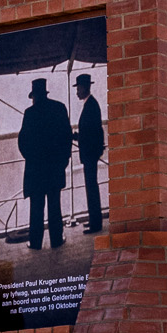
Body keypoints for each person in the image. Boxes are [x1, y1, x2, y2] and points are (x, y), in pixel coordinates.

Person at [16, 78, 74, 249]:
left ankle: (35, 242)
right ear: (45, 93)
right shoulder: (59, 108)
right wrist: (63, 161)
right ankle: (56, 239)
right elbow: (67, 137)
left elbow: (22, 142)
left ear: (34, 96)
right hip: (55, 167)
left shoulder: (30, 113)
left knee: (36, 207)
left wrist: (31, 159)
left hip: (36, 169)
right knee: (55, 205)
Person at [72, 72, 108, 234]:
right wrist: (76, 136)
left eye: (78, 88)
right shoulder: (91, 104)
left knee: (91, 188)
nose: (77, 92)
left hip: (89, 154)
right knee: (91, 187)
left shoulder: (91, 106)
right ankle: (94, 220)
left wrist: (76, 137)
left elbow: (94, 132)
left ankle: (96, 224)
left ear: (85, 87)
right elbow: (92, 132)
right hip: (90, 153)